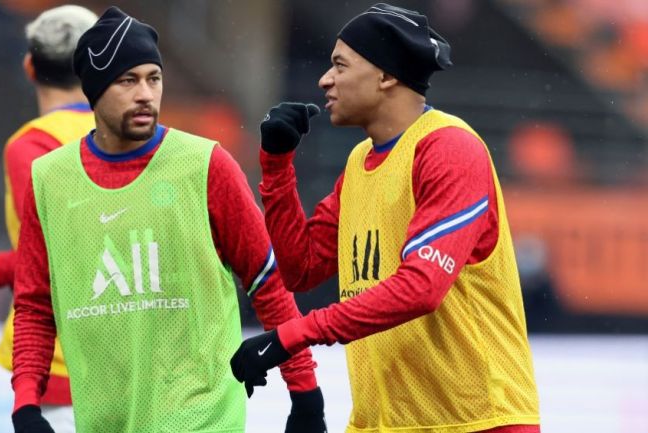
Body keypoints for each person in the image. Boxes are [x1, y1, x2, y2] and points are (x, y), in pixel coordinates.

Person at [10, 6, 326, 433]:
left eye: (153, 78)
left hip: (201, 416)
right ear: (94, 88)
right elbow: (34, 305)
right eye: (128, 80)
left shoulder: (206, 164)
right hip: (102, 420)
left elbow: (267, 283)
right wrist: (26, 404)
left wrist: (305, 394)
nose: (146, 94)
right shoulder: (48, 179)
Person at [231, 4, 541, 433]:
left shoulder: (449, 148)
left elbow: (420, 289)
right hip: (383, 423)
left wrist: (294, 334)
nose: (325, 79)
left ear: (386, 76)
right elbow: (300, 269)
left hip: (477, 422)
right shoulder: (360, 162)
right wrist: (277, 166)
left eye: (340, 65)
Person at [0, 5, 98, 431]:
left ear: (29, 66)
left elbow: (55, 251)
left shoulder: (31, 145)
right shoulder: (135, 136)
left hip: (60, 361)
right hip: (129, 351)